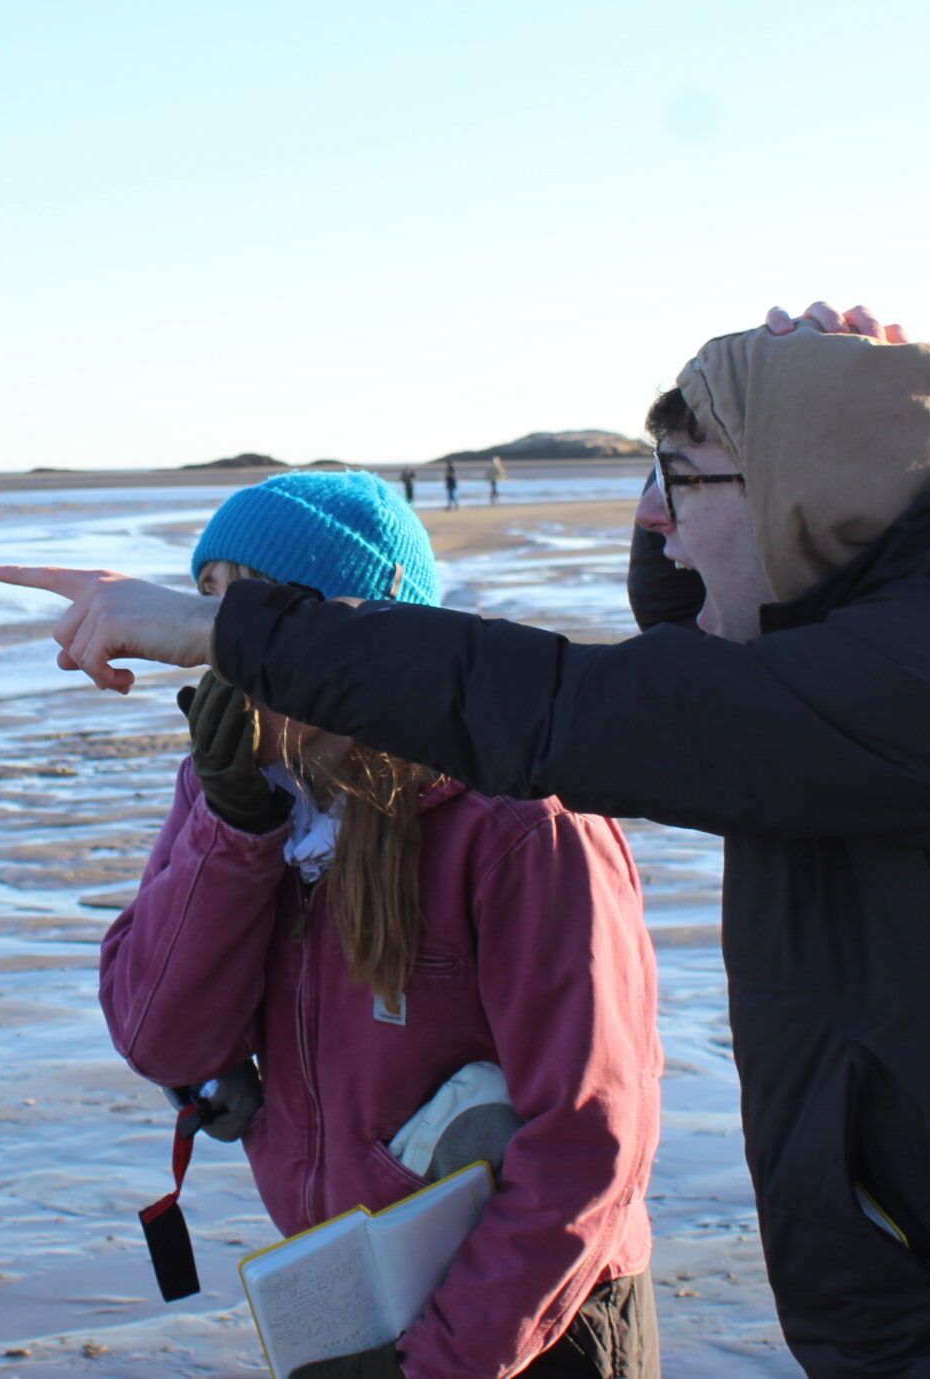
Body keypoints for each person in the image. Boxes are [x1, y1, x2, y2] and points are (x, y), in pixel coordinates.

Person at [0, 304, 930, 1377]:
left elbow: (587, 713)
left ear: (801, 490)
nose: (659, 522)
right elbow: (682, 625)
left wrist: (225, 629)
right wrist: (235, 818)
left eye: (685, 480)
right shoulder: (906, 646)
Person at [99, 472, 662, 1379]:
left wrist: (438, 1364)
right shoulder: (243, 790)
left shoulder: (515, 821)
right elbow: (159, 1033)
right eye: (203, 607)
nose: (213, 650)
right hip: (353, 1305)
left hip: (533, 1321)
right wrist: (233, 827)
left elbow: (589, 1140)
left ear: (347, 633)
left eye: (240, 612)